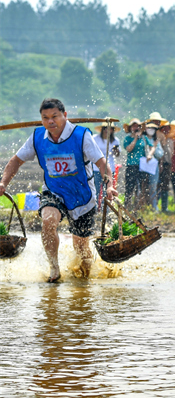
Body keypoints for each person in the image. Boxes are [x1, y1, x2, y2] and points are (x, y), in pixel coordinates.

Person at [0, 98, 118, 282]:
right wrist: (3, 183)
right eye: (45, 118)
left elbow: (102, 163)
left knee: (81, 249)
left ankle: (85, 277)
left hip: (83, 197)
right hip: (54, 191)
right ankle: (54, 269)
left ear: (65, 115)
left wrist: (110, 185)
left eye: (54, 116)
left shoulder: (82, 135)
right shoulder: (37, 137)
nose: (50, 122)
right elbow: (16, 161)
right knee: (48, 220)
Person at [122, 117, 149, 211]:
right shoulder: (127, 138)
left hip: (141, 166)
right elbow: (129, 149)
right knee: (129, 188)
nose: (135, 128)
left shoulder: (144, 138)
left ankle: (137, 207)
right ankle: (127, 207)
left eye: (137, 126)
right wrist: (135, 139)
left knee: (141, 188)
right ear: (130, 128)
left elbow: (150, 147)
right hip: (131, 165)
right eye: (133, 126)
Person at [93, 122, 120, 203]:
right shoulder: (95, 138)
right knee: (96, 190)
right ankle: (95, 210)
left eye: (110, 129)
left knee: (108, 190)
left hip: (109, 168)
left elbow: (117, 154)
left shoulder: (115, 141)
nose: (107, 130)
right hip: (96, 168)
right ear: (102, 129)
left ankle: (106, 210)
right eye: (105, 128)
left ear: (112, 130)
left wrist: (116, 150)